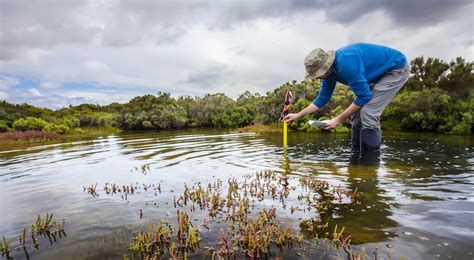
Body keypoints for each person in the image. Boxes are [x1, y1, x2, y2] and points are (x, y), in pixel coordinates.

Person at [284, 43, 410, 152]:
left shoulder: (346, 64)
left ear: (326, 68)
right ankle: (356, 156)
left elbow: (364, 96)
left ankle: (369, 163)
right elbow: (323, 98)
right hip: (376, 75)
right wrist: (298, 115)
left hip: (395, 69)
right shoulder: (329, 74)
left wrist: (338, 119)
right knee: (357, 114)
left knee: (368, 112)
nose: (316, 77)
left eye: (317, 74)